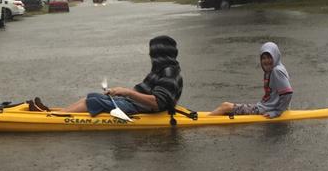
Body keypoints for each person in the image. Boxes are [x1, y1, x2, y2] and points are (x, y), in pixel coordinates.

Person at [29, 35, 183, 116]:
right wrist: (121, 92)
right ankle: (52, 113)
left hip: (144, 110)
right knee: (90, 97)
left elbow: (157, 102)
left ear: (160, 53)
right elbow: (146, 94)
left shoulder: (168, 73)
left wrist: (127, 92)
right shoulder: (161, 69)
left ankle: (53, 118)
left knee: (93, 102)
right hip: (136, 104)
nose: (150, 55)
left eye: (153, 52)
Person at [210, 41, 293, 118]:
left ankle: (205, 120)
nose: (266, 61)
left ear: (275, 56)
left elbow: (288, 94)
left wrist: (277, 112)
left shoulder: (277, 70)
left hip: (266, 110)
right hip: (265, 107)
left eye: (269, 57)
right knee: (225, 110)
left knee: (226, 106)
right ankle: (206, 118)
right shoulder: (275, 68)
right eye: (263, 58)